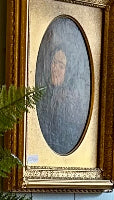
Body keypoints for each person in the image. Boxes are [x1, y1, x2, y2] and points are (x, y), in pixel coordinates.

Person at [35, 18, 92, 156]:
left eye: (61, 66)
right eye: (54, 63)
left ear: (68, 72)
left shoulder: (71, 100)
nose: (55, 69)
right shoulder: (41, 93)